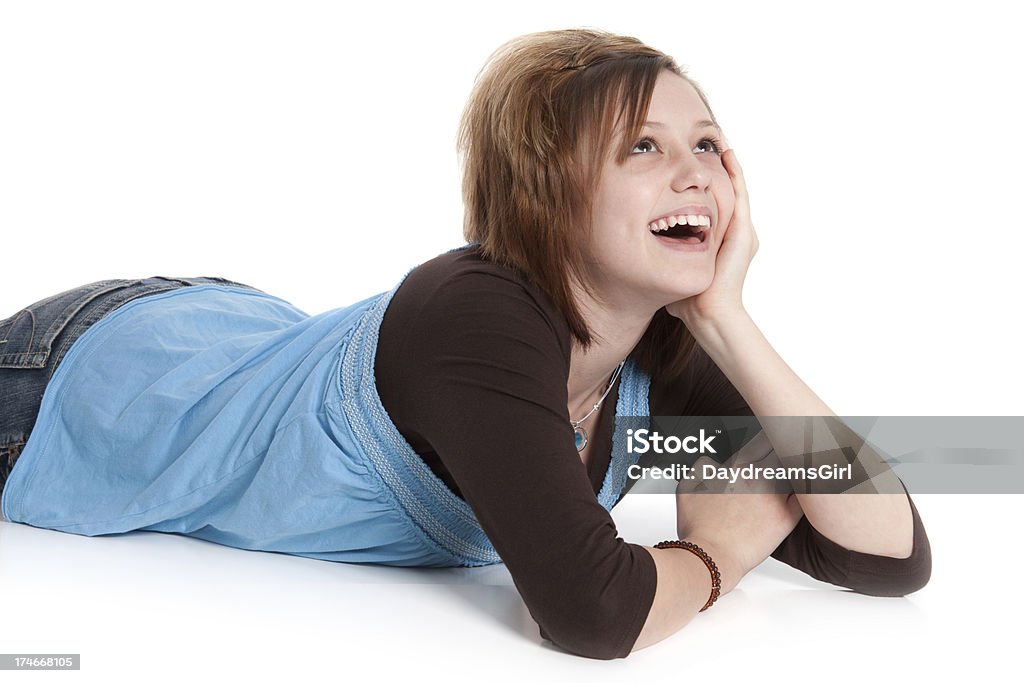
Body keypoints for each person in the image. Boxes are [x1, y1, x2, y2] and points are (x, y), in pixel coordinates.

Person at [0, 29, 930, 659]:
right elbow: (592, 614)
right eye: (642, 148)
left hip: (234, 328)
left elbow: (889, 555)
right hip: (73, 382)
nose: (694, 171)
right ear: (547, 196)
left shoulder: (662, 349)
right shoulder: (476, 315)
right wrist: (715, 559)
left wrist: (727, 314)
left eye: (709, 144)